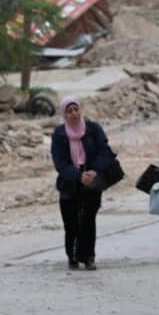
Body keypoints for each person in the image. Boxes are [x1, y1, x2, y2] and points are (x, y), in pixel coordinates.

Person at [50, 96, 115, 271]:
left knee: (88, 219)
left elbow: (105, 151)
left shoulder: (93, 129)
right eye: (69, 111)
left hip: (92, 180)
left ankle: (88, 256)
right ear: (64, 114)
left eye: (76, 109)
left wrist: (94, 170)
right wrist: (78, 175)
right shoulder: (59, 134)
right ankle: (72, 256)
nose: (74, 114)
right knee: (70, 221)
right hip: (69, 182)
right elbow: (59, 162)